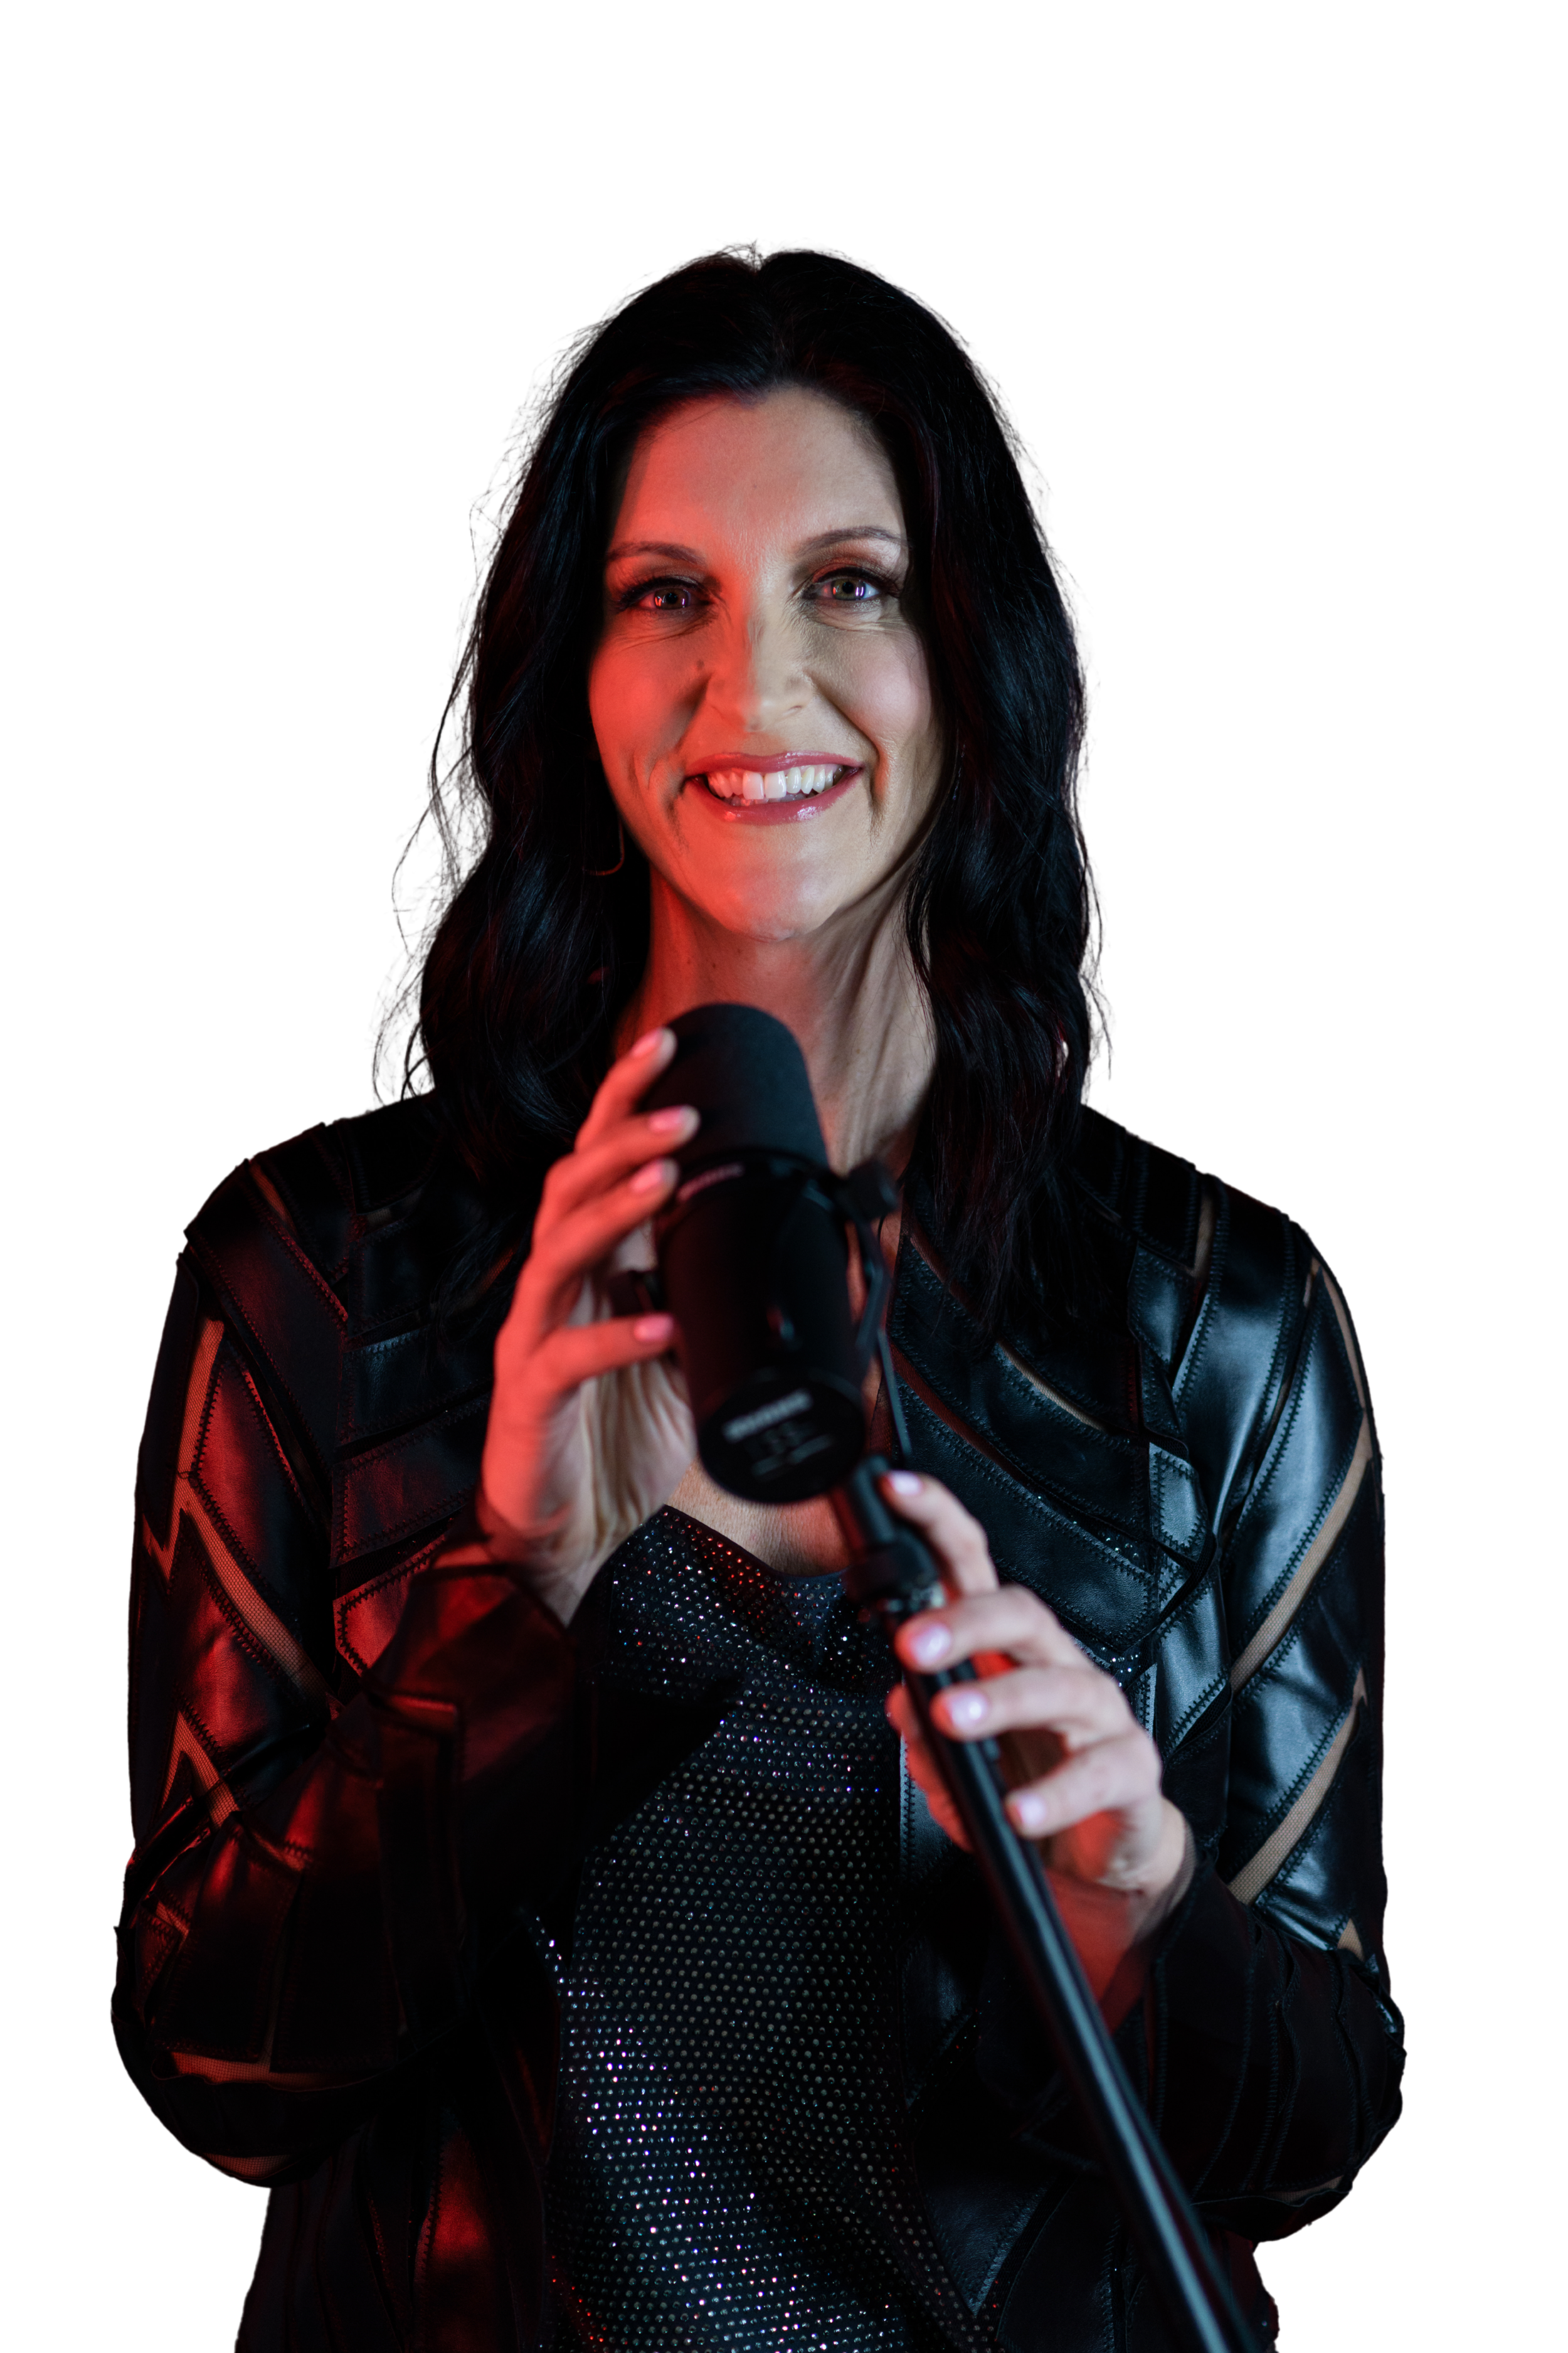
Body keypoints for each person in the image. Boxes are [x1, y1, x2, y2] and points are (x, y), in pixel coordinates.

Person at [115, 247, 1402, 2352]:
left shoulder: (1217, 1328)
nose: (756, 688)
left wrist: (1121, 1908)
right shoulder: (314, 1279)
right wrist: (520, 1611)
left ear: (968, 649)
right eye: (664, 594)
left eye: (852, 581)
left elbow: (1317, 2123)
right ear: (570, 666)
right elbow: (211, 2067)